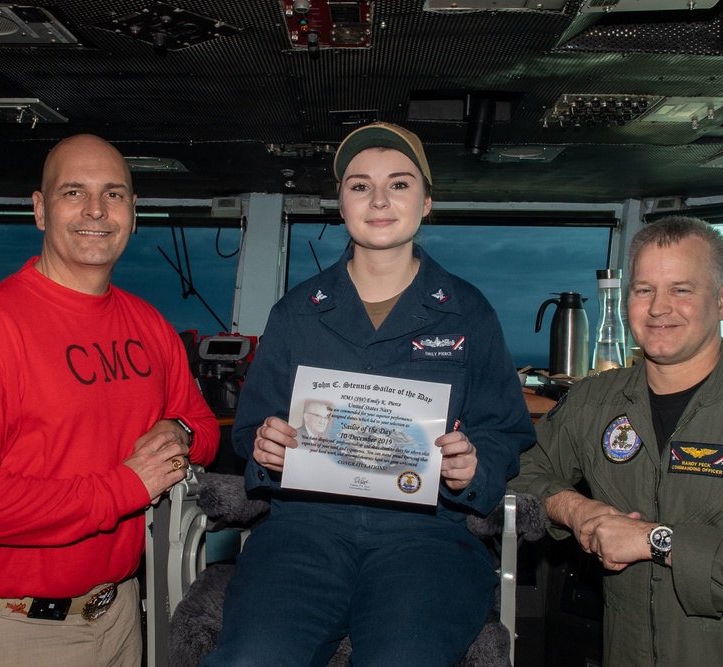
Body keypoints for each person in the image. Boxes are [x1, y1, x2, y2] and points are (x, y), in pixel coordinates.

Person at [201, 122, 535, 666]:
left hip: (427, 539)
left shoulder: (469, 311)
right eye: (359, 186)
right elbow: (250, 428)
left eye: (399, 185)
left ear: (426, 202)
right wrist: (265, 448)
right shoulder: (295, 313)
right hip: (303, 533)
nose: (379, 200)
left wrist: (474, 467)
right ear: (340, 203)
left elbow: (504, 430)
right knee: (250, 658)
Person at [0, 134, 220, 667]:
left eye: (114, 194)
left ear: (133, 212)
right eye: (73, 192)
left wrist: (180, 434)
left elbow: (203, 428)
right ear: (39, 209)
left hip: (118, 618)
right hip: (3, 630)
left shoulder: (148, 325)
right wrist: (121, 488)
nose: (96, 210)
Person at [510, 215, 723, 666]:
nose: (658, 309)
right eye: (644, 290)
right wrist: (576, 509)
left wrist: (656, 540)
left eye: (681, 290)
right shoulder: (594, 400)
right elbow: (518, 471)